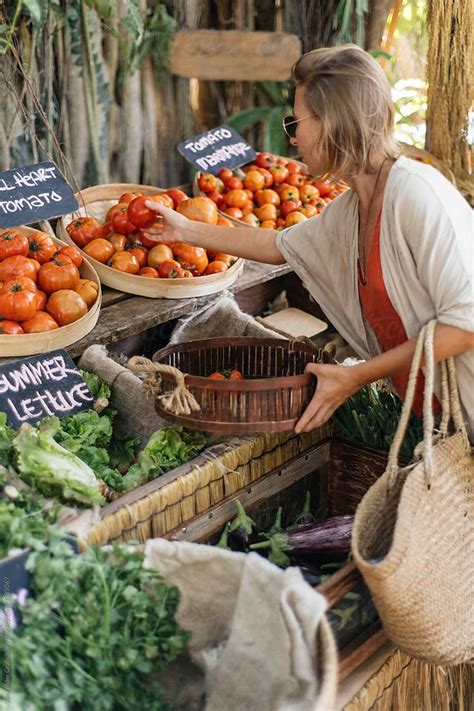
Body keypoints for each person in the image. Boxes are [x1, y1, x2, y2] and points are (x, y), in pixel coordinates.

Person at [144, 44, 474, 439]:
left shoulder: (418, 195)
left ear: (332, 123)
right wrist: (184, 230)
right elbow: (279, 245)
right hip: (443, 421)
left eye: (296, 123)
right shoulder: (351, 209)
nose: (294, 140)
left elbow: (464, 326)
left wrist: (356, 376)